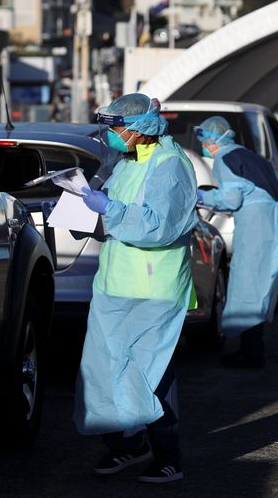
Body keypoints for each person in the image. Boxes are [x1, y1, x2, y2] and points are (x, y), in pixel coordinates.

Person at [73, 92, 198, 483]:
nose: (110, 135)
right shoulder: (126, 161)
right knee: (105, 370)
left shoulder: (170, 164)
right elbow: (114, 214)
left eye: (115, 127)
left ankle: (168, 456)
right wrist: (77, 210)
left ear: (141, 128)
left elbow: (159, 225)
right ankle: (126, 447)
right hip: (116, 282)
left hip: (154, 286)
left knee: (151, 373)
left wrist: (110, 210)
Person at [196, 116, 278, 369]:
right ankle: (252, 349)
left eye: (204, 138)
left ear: (215, 139)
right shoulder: (251, 156)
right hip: (269, 224)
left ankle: (251, 353)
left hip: (255, 226)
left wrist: (201, 195)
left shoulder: (224, 159)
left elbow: (231, 199)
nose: (204, 144)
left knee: (247, 285)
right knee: (259, 284)